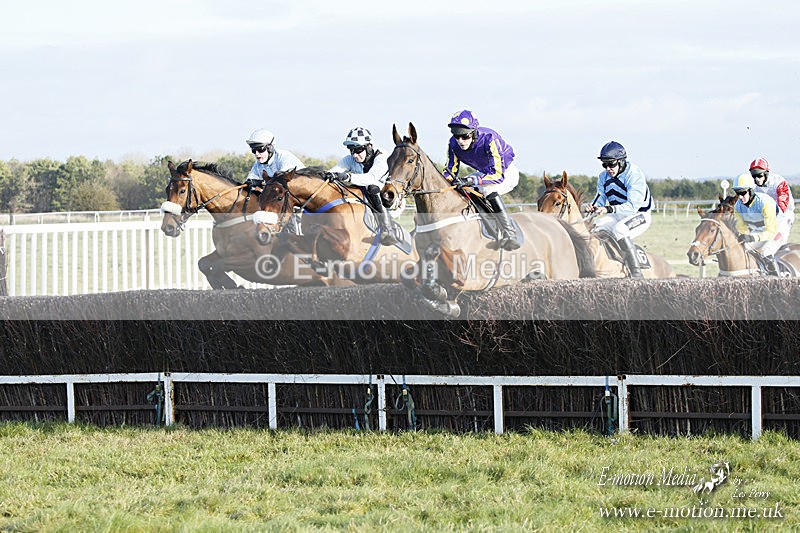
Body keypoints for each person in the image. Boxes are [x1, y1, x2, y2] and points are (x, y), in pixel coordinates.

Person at [442, 110, 521, 251]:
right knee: (460, 189)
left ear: (474, 132)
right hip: (484, 172)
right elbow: (450, 171)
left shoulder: (490, 138)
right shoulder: (453, 144)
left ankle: (510, 232)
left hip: (505, 172)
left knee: (487, 189)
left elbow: (497, 175)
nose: (460, 141)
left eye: (464, 136)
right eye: (456, 135)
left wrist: (471, 181)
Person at [584, 141, 652, 279]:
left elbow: (633, 207)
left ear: (621, 162)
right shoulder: (603, 177)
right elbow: (600, 197)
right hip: (618, 214)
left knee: (620, 229)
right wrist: (593, 206)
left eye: (611, 164)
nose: (608, 168)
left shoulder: (634, 174)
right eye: (605, 164)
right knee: (595, 228)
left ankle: (636, 273)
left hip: (640, 215)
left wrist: (608, 208)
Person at [324, 127, 401, 246]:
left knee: (372, 187)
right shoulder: (350, 159)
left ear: (369, 147)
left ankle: (388, 229)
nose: (354, 155)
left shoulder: (382, 157)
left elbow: (370, 178)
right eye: (351, 150)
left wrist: (347, 177)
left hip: (388, 198)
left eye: (358, 150)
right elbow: (334, 171)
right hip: (365, 194)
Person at [731, 172, 781, 276]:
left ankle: (778, 280)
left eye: (743, 193)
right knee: (744, 250)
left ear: (751, 191)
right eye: (737, 193)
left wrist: (752, 237)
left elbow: (771, 231)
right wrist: (744, 237)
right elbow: (742, 229)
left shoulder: (765, 203)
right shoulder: (738, 207)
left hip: (775, 231)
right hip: (757, 232)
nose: (740, 197)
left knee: (766, 252)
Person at [750, 157, 795, 252]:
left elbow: (782, 209)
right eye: (754, 176)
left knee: (768, 249)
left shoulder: (779, 182)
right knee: (747, 246)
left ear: (766, 173)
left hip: (784, 217)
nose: (757, 179)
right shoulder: (755, 188)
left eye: (759, 175)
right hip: (767, 219)